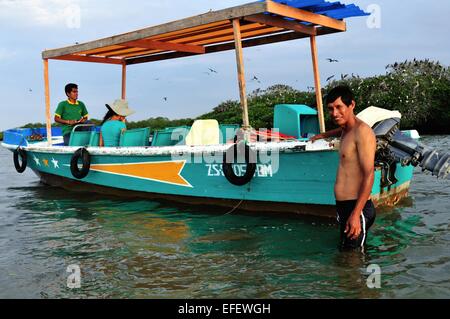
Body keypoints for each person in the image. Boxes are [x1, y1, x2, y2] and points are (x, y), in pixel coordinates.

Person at [312, 86, 377, 251]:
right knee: (344, 256)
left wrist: (356, 214)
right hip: (344, 207)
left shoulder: (363, 132)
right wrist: (323, 135)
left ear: (352, 105)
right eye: (331, 109)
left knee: (353, 259)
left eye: (339, 107)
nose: (334, 113)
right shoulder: (346, 129)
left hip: (357, 208)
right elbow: (341, 128)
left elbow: (369, 175)